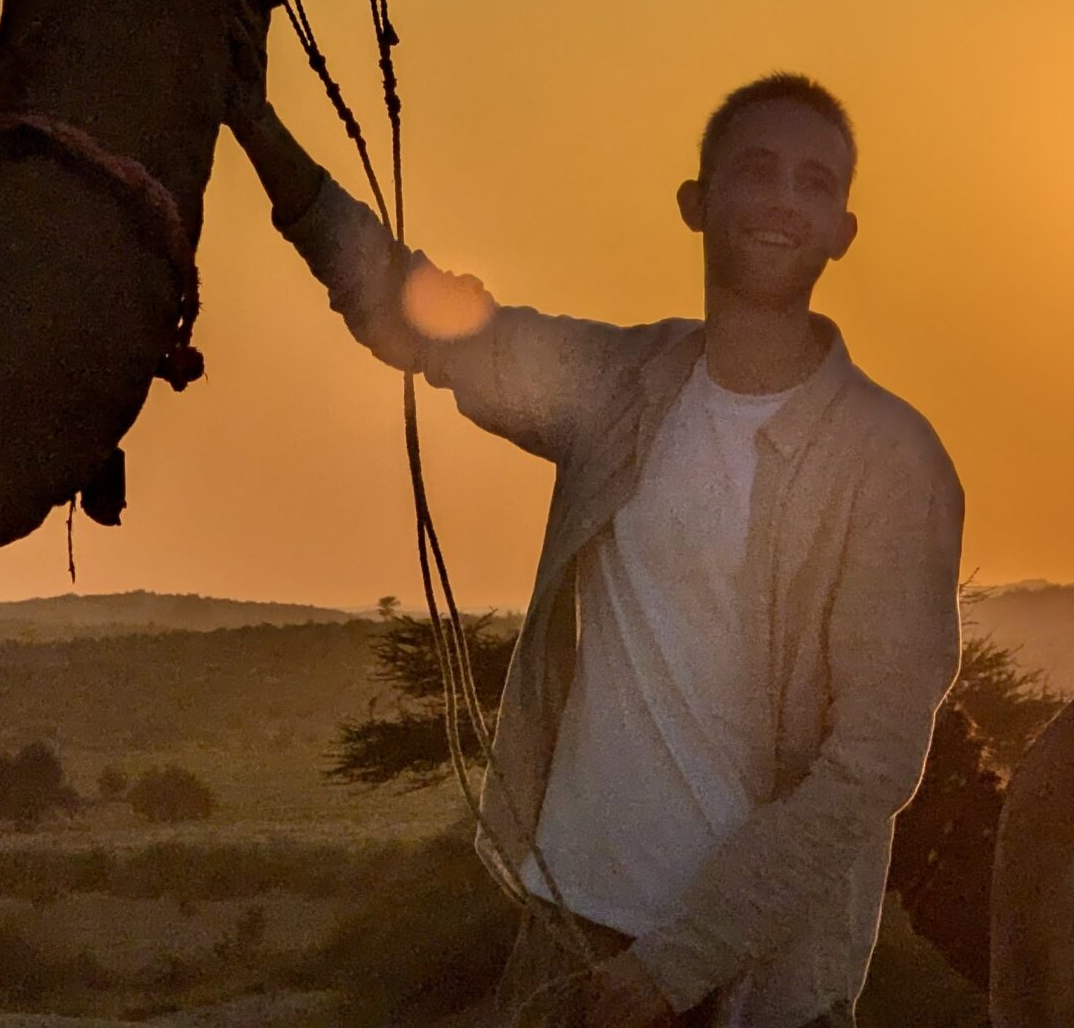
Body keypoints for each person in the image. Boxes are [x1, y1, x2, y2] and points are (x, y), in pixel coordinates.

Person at [231, 73, 964, 1028]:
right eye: (758, 170)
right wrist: (256, 127)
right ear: (698, 205)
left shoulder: (891, 462)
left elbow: (872, 761)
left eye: (817, 183)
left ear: (841, 231)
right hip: (568, 945)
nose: (786, 199)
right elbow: (417, 315)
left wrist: (676, 966)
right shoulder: (617, 388)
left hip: (752, 982)